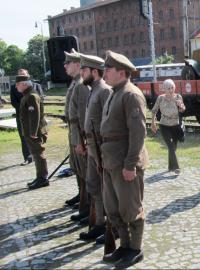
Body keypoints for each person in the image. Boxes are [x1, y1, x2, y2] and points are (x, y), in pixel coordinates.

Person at [100, 50, 149, 268]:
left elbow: (138, 133)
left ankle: (135, 249)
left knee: (131, 208)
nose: (104, 74)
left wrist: (130, 165)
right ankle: (125, 247)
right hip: (111, 161)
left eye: (108, 70)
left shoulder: (131, 94)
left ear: (121, 72)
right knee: (114, 208)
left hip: (125, 163)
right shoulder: (115, 92)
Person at [76, 54, 112, 241]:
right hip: (92, 146)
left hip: (102, 147)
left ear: (94, 72)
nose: (81, 73)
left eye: (84, 70)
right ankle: (99, 224)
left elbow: (110, 122)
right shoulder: (92, 90)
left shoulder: (104, 90)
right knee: (94, 186)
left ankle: (111, 226)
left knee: (108, 188)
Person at [64, 49, 90, 221]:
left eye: (68, 62)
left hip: (78, 135)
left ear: (77, 64)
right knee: (79, 171)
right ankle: (83, 200)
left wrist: (81, 140)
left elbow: (82, 116)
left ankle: (88, 206)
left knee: (85, 172)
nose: (65, 66)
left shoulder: (80, 85)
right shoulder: (75, 83)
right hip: (74, 133)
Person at [15, 75, 49, 190]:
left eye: (17, 84)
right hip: (30, 131)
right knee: (35, 153)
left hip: (34, 132)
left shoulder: (31, 96)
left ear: (24, 84)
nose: (16, 86)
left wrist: (33, 132)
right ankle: (39, 176)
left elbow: (35, 116)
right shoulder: (27, 95)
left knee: (38, 153)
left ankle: (43, 178)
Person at [151, 78, 186, 174]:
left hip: (175, 125)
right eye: (168, 88)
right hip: (164, 125)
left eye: (172, 87)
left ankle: (170, 167)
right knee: (170, 146)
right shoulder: (160, 98)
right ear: (164, 89)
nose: (171, 90)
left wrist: (181, 106)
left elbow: (182, 110)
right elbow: (154, 110)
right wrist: (153, 123)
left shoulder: (178, 97)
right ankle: (176, 167)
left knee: (173, 147)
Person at [10, 69, 44, 165]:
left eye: (23, 75)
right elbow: (14, 102)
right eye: (19, 75)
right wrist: (24, 108)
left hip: (35, 117)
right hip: (22, 117)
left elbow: (41, 99)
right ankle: (27, 157)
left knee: (36, 138)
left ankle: (37, 157)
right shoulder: (14, 87)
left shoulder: (36, 86)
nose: (21, 77)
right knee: (24, 137)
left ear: (28, 76)